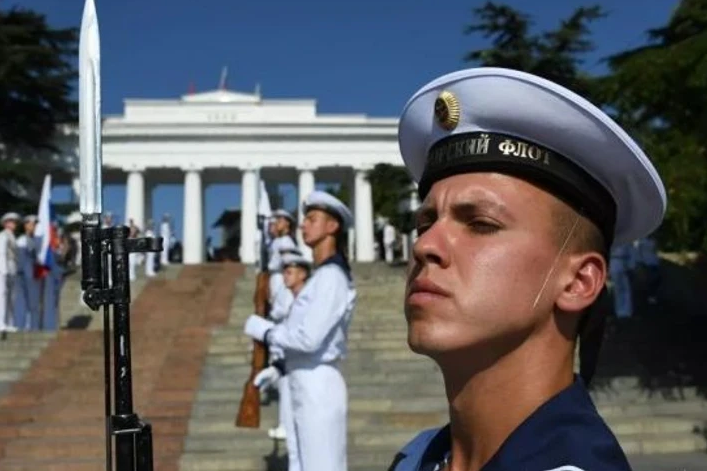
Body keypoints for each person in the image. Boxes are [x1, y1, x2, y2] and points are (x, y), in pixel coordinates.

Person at [388, 67, 666, 471]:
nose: (425, 246)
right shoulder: (418, 458)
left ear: (578, 281)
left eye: (481, 224)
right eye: (425, 223)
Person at [244, 191, 357, 471]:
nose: (303, 225)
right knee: (300, 463)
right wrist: (280, 368)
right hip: (300, 377)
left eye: (312, 219)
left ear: (332, 227)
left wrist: (267, 332)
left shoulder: (332, 278)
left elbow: (308, 339)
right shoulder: (321, 277)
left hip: (318, 382)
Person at [259, 251, 312, 471]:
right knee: (293, 437)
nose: (285, 276)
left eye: (290, 272)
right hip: (288, 367)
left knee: (307, 436)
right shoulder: (295, 298)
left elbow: (305, 340)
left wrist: (267, 332)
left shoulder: (309, 300)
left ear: (302, 274)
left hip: (308, 373)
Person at [265, 209, 298, 440]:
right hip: (276, 288)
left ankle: (286, 423)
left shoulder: (285, 242)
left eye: (277, 221)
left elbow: (288, 267)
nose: (273, 224)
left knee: (282, 367)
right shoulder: (279, 240)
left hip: (281, 295)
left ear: (286, 223)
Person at [0, 212, 20, 333]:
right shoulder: (2, 235)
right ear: (5, 223)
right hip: (2, 268)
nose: (13, 224)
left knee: (10, 297)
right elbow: (1, 253)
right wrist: (4, 270)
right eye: (10, 221)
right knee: (1, 296)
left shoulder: (12, 236)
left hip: (11, 268)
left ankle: (8, 322)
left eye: (14, 222)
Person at [14, 215, 42, 331]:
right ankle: (22, 325)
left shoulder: (33, 240)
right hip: (25, 275)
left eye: (35, 224)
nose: (34, 226)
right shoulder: (21, 240)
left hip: (32, 274)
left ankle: (31, 326)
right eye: (31, 224)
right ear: (25, 225)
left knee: (33, 302)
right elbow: (21, 261)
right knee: (24, 302)